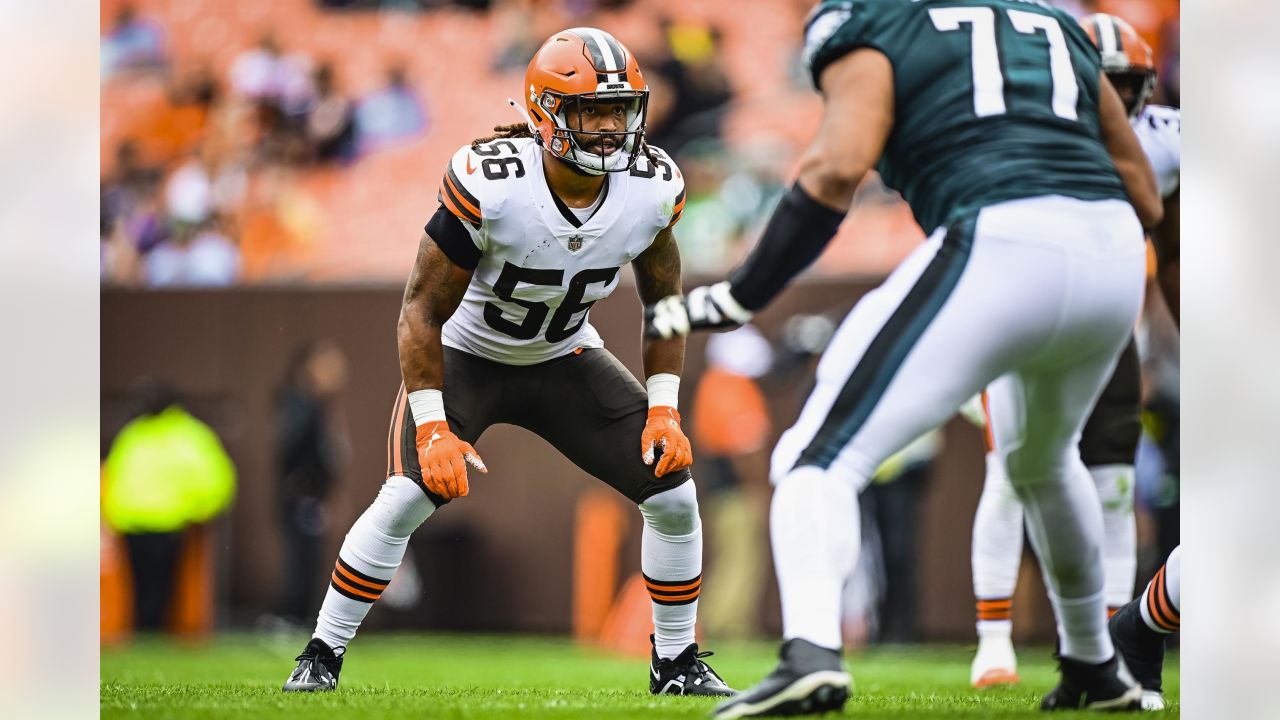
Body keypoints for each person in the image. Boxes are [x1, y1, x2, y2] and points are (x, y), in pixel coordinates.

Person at [646, 0, 1162, 714]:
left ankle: (811, 655)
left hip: (999, 231)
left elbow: (834, 170)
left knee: (814, 457)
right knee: (1045, 460)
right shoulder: (1052, 19)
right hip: (1111, 253)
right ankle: (1095, 667)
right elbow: (1143, 189)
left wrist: (742, 294)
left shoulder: (875, 18)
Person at [282, 28, 732, 697]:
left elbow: (665, 301)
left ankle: (676, 664)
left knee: (672, 490)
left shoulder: (652, 184)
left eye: (620, 110)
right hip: (468, 355)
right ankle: (321, 653)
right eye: (589, 112)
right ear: (544, 113)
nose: (610, 129)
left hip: (564, 355)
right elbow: (420, 312)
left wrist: (664, 408)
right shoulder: (492, 182)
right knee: (410, 494)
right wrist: (434, 424)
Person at [967, 11, 1180, 690]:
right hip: (1021, 318)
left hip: (1110, 321)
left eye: (1127, 85)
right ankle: (993, 639)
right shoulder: (1018, 135)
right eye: (1103, 84)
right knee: (1010, 474)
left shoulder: (1168, 140)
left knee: (1114, 484)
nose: (1115, 101)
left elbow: (1172, 250)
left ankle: (1113, 640)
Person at [102, 379, 237, 632]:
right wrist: (201, 510)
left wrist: (113, 515)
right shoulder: (190, 434)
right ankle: (153, 633)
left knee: (144, 585)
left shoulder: (133, 434)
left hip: (135, 522)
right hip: (168, 522)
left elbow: (114, 477)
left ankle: (146, 633)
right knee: (161, 586)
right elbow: (217, 478)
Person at [274, 340, 350, 624]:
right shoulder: (299, 404)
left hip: (314, 495)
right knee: (301, 559)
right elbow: (290, 449)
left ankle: (301, 617)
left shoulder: (320, 406)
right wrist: (307, 484)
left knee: (311, 559)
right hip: (301, 495)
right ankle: (288, 617)